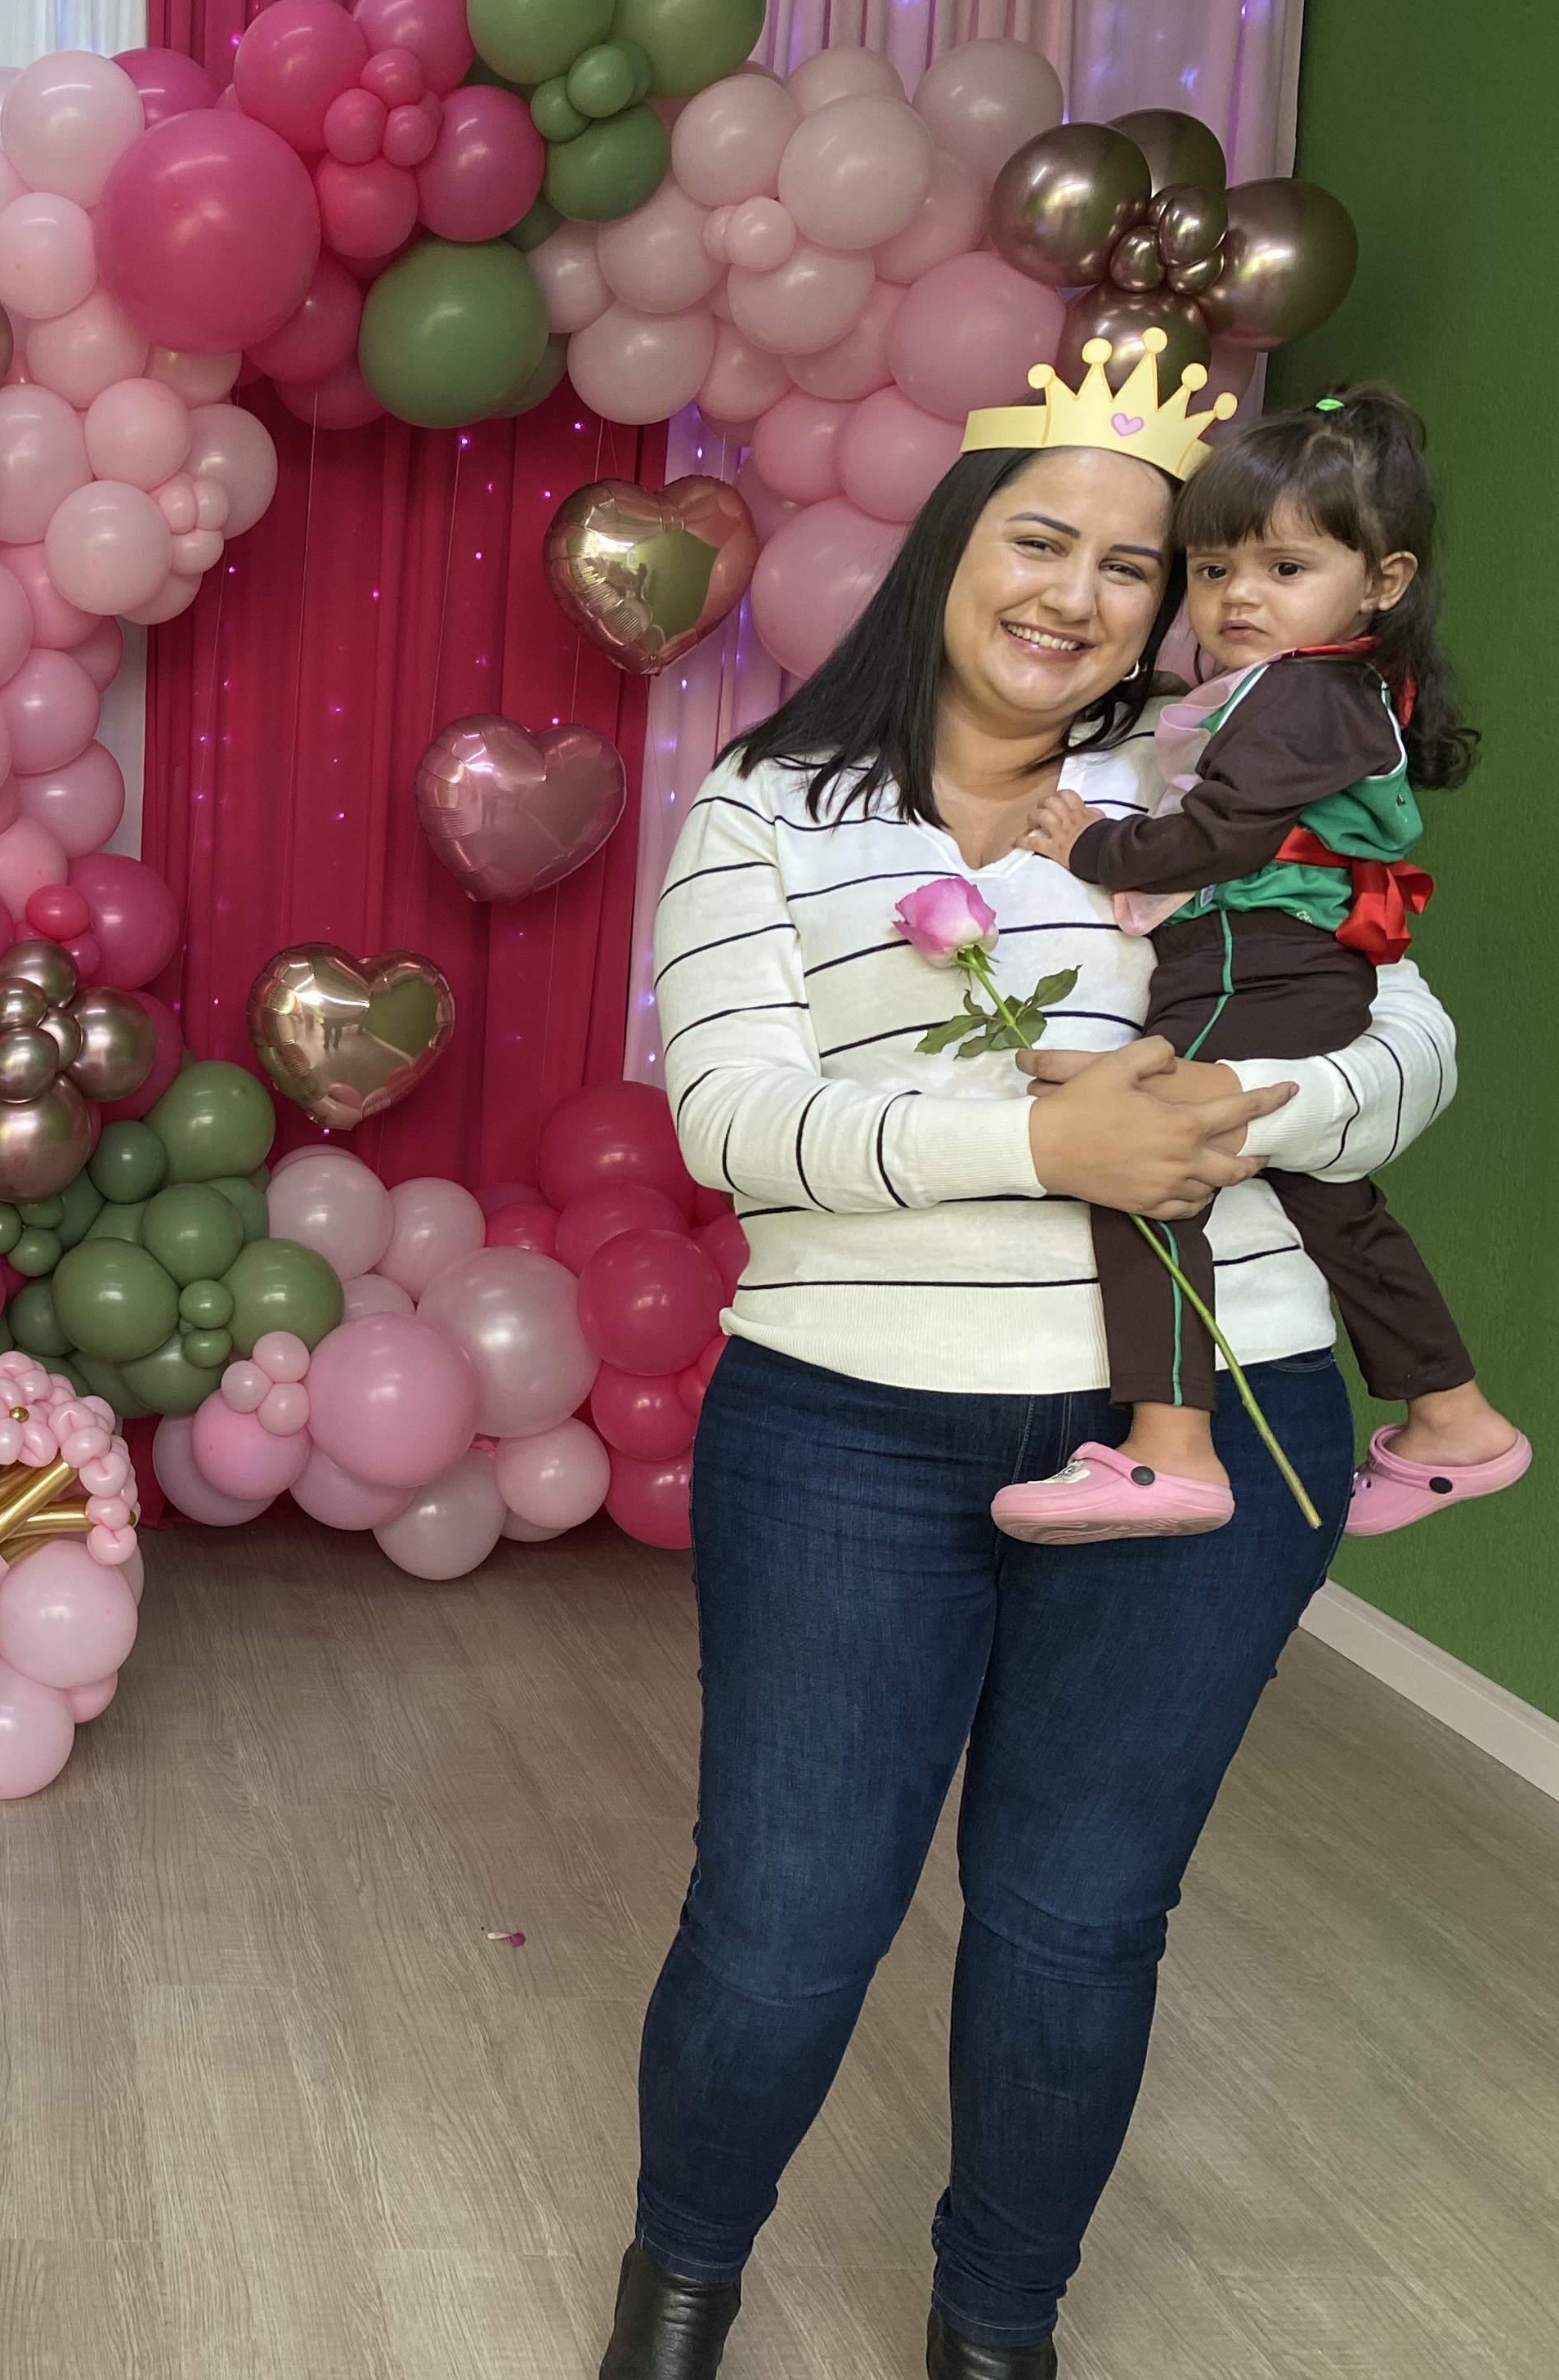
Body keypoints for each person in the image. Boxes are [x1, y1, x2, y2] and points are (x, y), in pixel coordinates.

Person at [604, 338, 1458, 2380]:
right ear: (952, 550)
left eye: (1136, 567)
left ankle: (999, 2331)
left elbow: (1410, 1041)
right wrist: (1043, 1146)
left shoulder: (1216, 779)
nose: (1080, 593)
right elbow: (731, 1120)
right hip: (851, 1431)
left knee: (1079, 1919)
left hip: (1228, 1413)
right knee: (789, 1918)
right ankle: (682, 2291)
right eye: (1042, 539)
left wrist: (1246, 1110)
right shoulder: (769, 806)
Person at [991, 386, 1526, 1540]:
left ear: (1382, 582)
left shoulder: (1301, 692)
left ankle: (1172, 1447)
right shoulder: (1319, 691)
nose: (1239, 597)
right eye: (1214, 569)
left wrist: (1094, 846)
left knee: (1140, 1168)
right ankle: (1454, 1417)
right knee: (1334, 1201)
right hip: (1296, 969)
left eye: (1285, 569)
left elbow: (1220, 837)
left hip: (1249, 964)